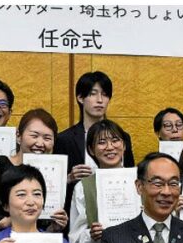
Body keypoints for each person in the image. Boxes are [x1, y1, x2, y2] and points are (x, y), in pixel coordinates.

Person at [0, 108, 68, 243]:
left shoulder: (52, 174)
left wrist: (54, 226)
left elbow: (40, 227)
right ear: (19, 136)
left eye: (47, 138)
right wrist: (2, 222)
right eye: (34, 135)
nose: (40, 143)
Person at [54, 71, 136, 212]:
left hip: (118, 207)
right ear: (80, 98)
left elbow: (130, 176)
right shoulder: (64, 139)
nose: (100, 100)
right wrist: (69, 178)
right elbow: (53, 188)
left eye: (104, 94)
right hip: (78, 210)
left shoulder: (123, 137)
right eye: (93, 94)